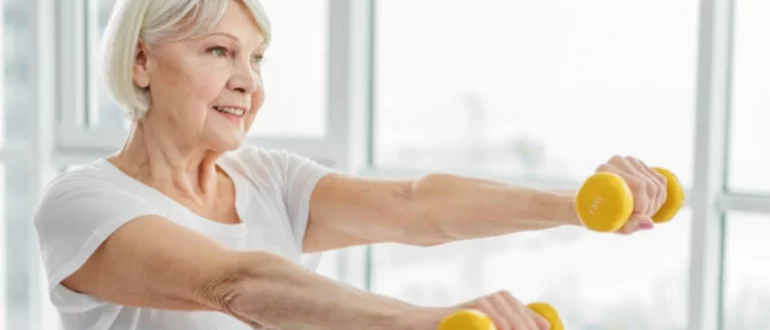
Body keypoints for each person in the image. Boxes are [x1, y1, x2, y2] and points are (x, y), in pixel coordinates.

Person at [32, 0, 669, 329]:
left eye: (257, 60)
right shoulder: (83, 203)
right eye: (219, 51)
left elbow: (415, 206)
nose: (247, 83)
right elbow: (237, 284)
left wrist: (576, 204)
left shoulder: (266, 180)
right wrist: (423, 322)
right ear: (142, 62)